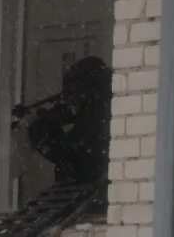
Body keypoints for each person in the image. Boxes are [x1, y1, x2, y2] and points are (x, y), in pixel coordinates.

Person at [21, 56, 112, 192]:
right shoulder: (100, 114)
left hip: (81, 193)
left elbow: (64, 151)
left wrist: (39, 126)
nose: (72, 107)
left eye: (75, 99)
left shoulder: (93, 126)